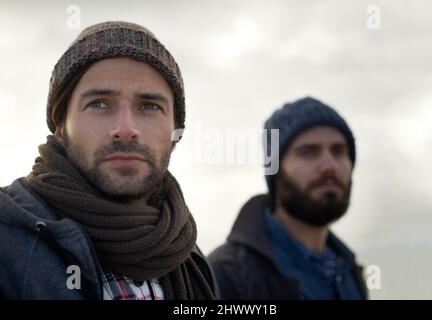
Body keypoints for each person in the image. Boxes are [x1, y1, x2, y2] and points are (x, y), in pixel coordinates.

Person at [0, 21, 216, 300]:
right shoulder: (7, 239)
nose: (125, 128)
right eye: (99, 104)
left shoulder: (186, 253)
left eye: (150, 106)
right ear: (60, 126)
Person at [208, 97, 368, 300]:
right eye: (308, 152)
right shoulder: (227, 277)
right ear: (275, 170)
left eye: (339, 151)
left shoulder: (348, 271)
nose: (329, 165)